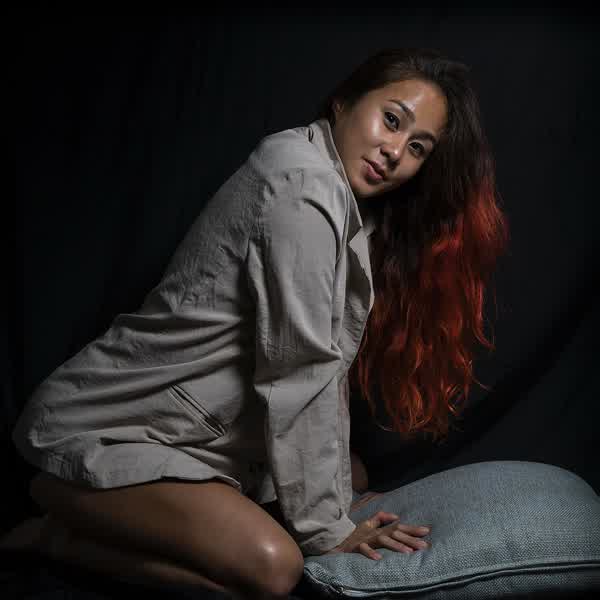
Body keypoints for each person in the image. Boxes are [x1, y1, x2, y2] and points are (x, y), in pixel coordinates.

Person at [1, 47, 509, 599]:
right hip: (113, 427)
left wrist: (336, 501)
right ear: (343, 102)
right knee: (274, 568)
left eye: (417, 148)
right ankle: (59, 525)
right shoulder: (303, 188)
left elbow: (321, 370)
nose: (394, 152)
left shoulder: (334, 191)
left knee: (352, 475)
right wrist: (330, 530)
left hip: (203, 434)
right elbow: (303, 370)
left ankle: (114, 509)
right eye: (391, 120)